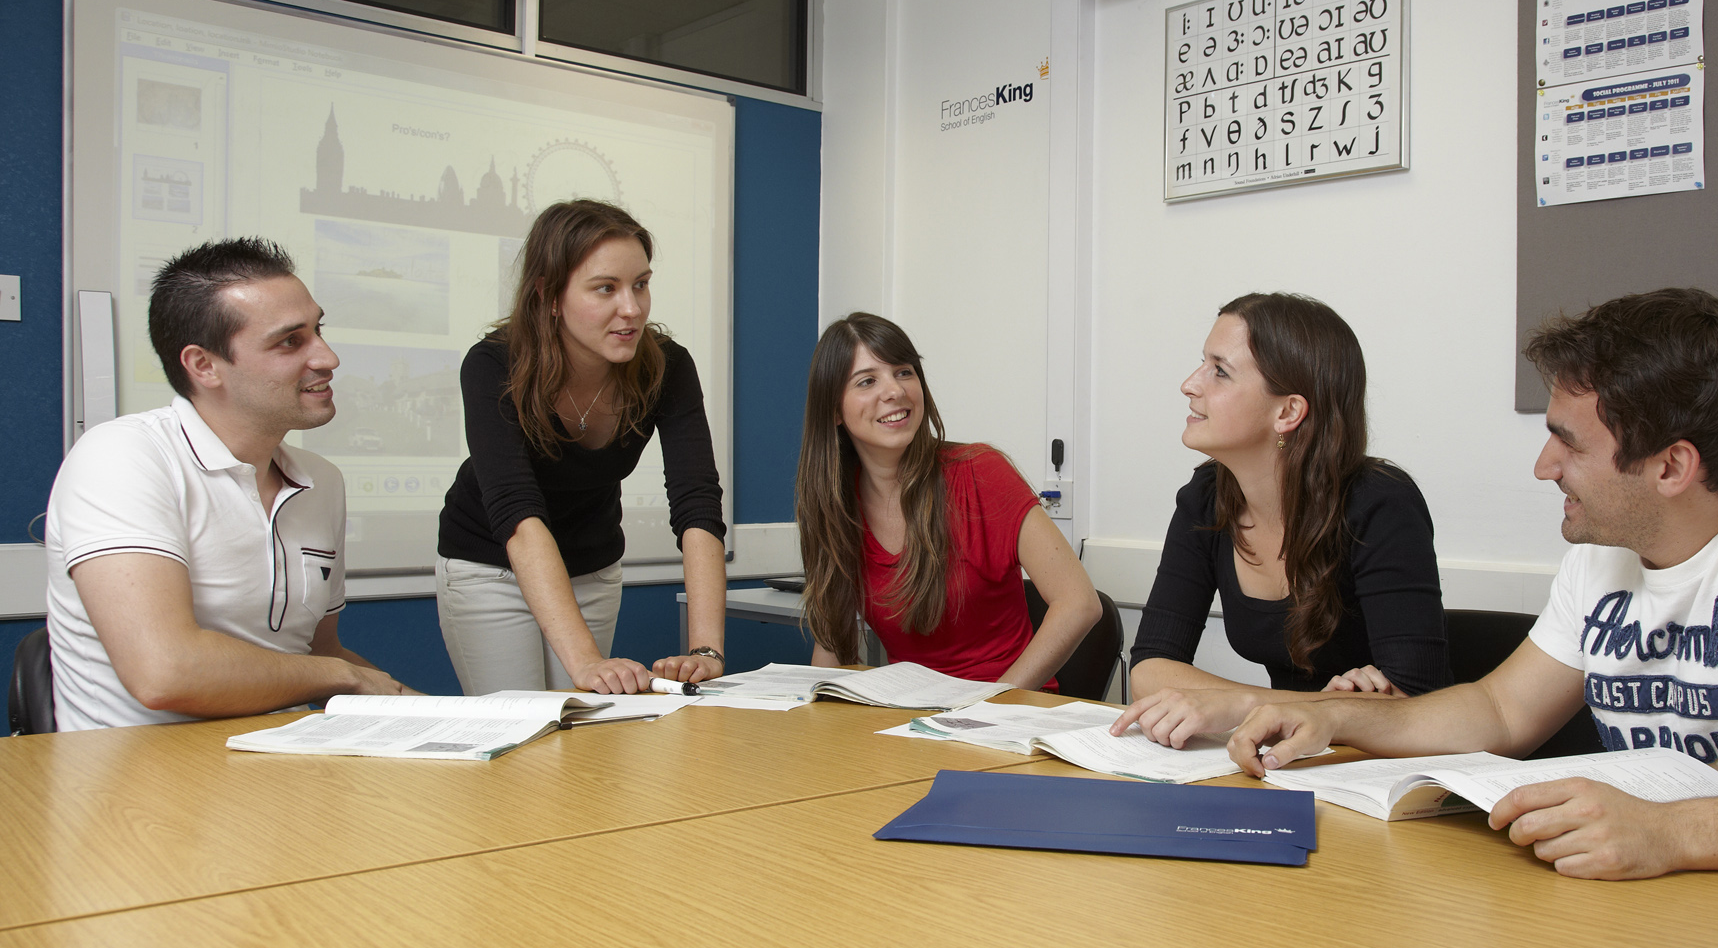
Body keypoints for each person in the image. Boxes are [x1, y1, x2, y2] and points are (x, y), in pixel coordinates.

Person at [1223, 287, 1718, 879]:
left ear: (1671, 466)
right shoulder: (1610, 548)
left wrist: (1673, 831)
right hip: (1674, 908)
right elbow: (1500, 710)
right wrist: (1331, 716)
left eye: (1569, 443)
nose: (1543, 466)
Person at [43, 239, 408, 731]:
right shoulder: (122, 457)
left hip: (284, 766)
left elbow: (318, 654)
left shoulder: (321, 480)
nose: (328, 358)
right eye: (289, 341)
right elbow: (165, 672)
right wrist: (346, 678)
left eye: (318, 330)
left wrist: (455, 718)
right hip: (138, 786)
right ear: (204, 366)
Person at [1116, 292, 1450, 747]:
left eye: (1220, 371)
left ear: (1288, 411)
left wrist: (1242, 706)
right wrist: (1294, 708)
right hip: (1286, 758)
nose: (1190, 385)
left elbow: (1421, 705)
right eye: (1202, 364)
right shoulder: (1206, 498)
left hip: (1379, 770)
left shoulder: (1379, 504)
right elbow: (1151, 669)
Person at [436, 200, 726, 694]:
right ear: (550, 296)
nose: (631, 308)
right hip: (491, 566)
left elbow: (697, 501)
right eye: (605, 288)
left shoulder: (666, 366)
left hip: (592, 568)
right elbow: (516, 514)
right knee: (522, 732)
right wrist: (588, 661)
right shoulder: (494, 365)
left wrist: (705, 649)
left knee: (582, 731)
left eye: (640, 284)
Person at [795, 313, 1101, 688]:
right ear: (833, 409)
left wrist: (988, 706)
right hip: (911, 718)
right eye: (868, 380)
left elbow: (1079, 604)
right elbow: (833, 644)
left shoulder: (980, 473)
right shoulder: (835, 506)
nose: (895, 390)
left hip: (1006, 710)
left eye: (904, 372)